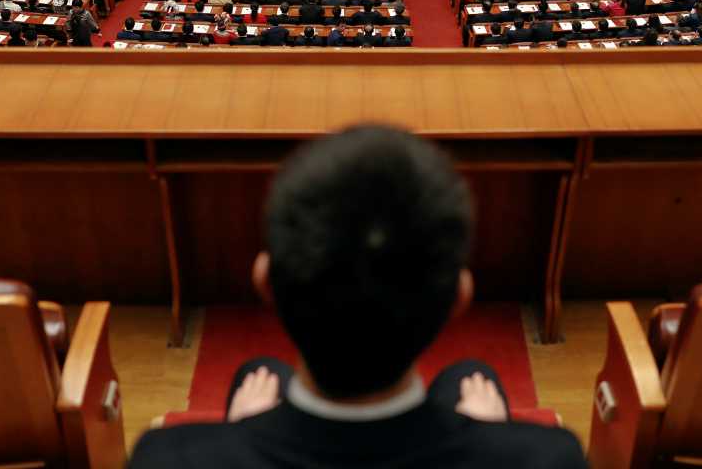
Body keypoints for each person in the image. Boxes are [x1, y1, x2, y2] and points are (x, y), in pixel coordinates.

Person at [130, 126, 589, 468]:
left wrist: (238, 437)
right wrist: (494, 442)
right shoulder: (549, 460)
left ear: (265, 281)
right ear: (458, 299)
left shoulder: (166, 461)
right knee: (469, 376)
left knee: (259, 374)